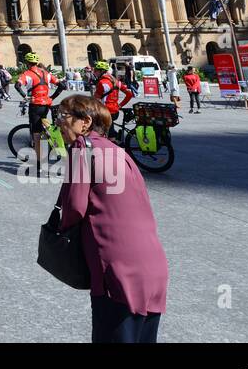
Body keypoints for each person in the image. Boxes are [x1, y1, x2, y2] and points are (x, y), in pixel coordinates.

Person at [55, 95, 168, 343]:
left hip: (116, 270)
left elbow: (74, 207)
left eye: (62, 117)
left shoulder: (83, 148)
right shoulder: (120, 152)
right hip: (152, 267)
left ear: (84, 122)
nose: (58, 124)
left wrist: (60, 238)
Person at [15, 53, 65, 174]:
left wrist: (25, 97)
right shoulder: (46, 73)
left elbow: (17, 85)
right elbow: (61, 85)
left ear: (27, 63)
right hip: (46, 104)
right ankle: (57, 147)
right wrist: (52, 97)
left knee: (36, 135)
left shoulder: (27, 74)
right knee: (46, 127)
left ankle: (38, 164)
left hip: (35, 105)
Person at [92, 61, 135, 128]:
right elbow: (129, 94)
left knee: (101, 131)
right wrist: (120, 105)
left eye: (95, 70)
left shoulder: (102, 83)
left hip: (105, 112)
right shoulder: (117, 82)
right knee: (109, 129)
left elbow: (96, 99)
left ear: (102, 71)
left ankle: (112, 138)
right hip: (115, 111)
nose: (94, 72)